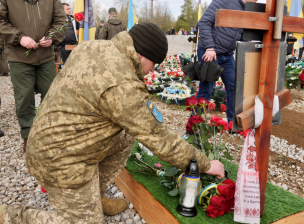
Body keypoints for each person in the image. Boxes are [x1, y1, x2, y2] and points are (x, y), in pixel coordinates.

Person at [0, 23, 224, 224]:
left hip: (51, 141)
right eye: (154, 64)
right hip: (59, 161)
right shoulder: (123, 85)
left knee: (126, 134)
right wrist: (205, 164)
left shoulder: (94, 46)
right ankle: (9, 216)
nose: (153, 71)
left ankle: (94, 197)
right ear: (141, 55)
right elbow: (160, 139)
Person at [0, 0, 67, 151]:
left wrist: (52, 36)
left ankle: (47, 133)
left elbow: (61, 21)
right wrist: (19, 38)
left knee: (52, 94)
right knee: (24, 96)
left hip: (45, 56)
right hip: (18, 55)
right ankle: (28, 135)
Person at [197, 0, 257, 123]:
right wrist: (209, 47)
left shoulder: (248, 9)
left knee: (234, 88)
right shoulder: (225, 1)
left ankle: (232, 124)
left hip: (227, 55)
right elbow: (204, 22)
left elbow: (241, 34)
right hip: (210, 52)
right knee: (206, 90)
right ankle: (194, 126)